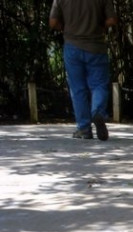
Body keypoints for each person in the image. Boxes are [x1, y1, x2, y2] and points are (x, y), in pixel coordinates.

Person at [49, 1, 118, 141]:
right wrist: (101, 28)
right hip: (96, 46)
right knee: (99, 84)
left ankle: (84, 128)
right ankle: (97, 111)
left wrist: (65, 28)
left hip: (72, 47)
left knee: (77, 88)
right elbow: (112, 19)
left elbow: (53, 22)